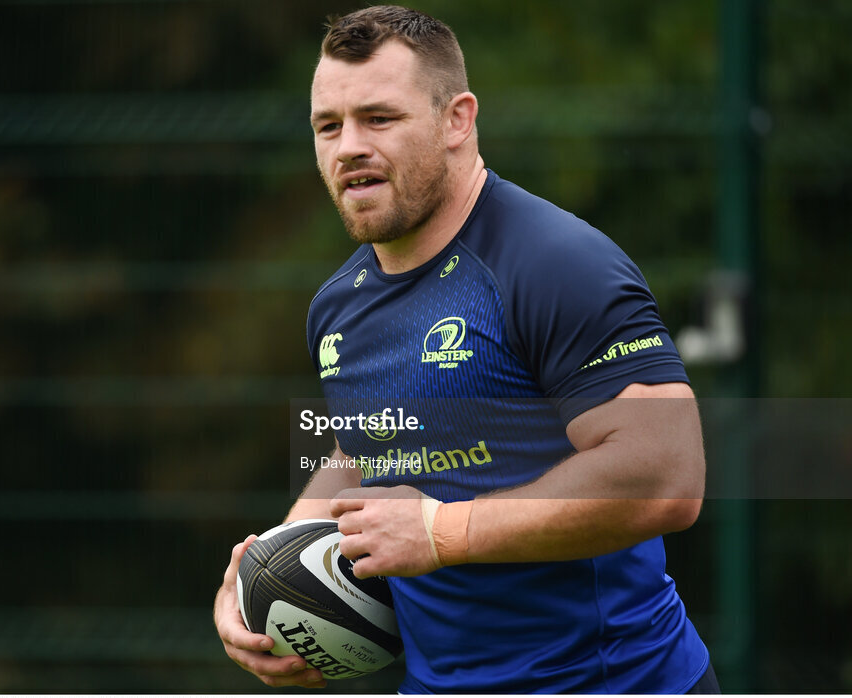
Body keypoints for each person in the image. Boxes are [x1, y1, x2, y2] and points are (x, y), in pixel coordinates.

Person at [214, 5, 719, 693]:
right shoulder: (338, 307)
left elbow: (667, 475)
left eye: (379, 118)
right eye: (328, 126)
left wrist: (444, 532)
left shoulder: (552, 263)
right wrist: (267, 573)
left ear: (458, 119)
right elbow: (370, 442)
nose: (348, 146)